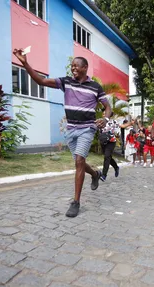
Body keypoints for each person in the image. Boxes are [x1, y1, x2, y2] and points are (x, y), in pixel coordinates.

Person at [13, 49, 111, 218]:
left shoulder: (95, 87)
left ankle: (76, 202)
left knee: (79, 161)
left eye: (76, 66)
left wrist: (106, 119)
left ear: (85, 67)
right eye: (72, 66)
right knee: (79, 163)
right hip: (71, 129)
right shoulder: (66, 82)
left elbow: (107, 107)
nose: (73, 69)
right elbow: (41, 80)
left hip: (87, 128)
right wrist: (25, 63)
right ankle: (95, 174)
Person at [98, 113, 134, 182]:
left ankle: (104, 175)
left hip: (111, 142)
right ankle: (116, 167)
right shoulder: (100, 121)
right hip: (103, 141)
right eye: (103, 114)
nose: (103, 115)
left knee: (106, 157)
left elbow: (122, 126)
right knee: (108, 157)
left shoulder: (113, 122)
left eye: (105, 113)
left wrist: (130, 123)